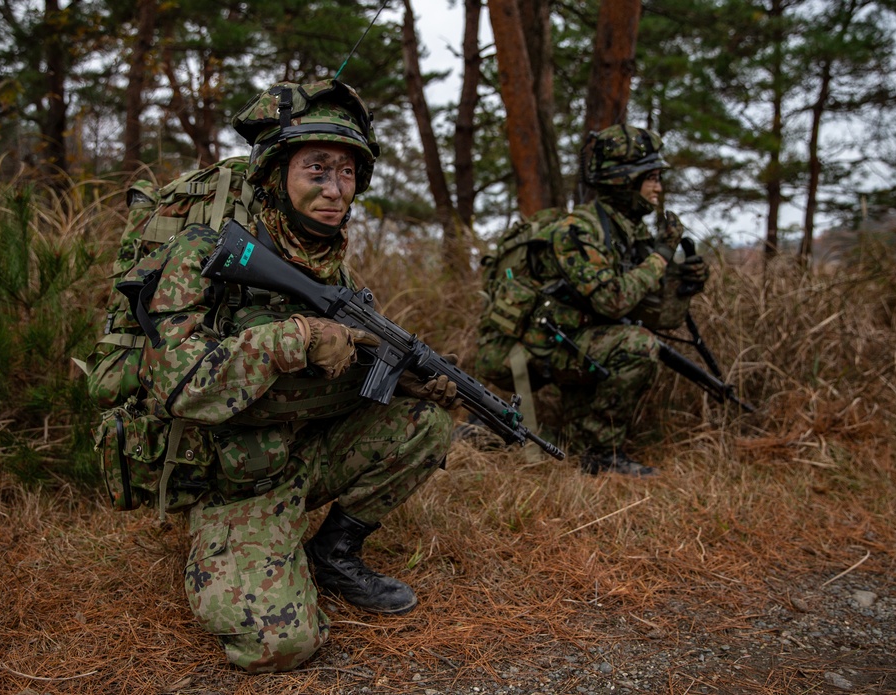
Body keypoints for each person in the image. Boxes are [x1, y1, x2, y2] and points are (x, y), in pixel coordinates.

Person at [132, 79, 458, 672]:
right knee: (279, 647)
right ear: (274, 175)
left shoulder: (339, 272)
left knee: (427, 418)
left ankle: (333, 554)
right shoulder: (205, 254)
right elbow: (175, 388)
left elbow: (340, 372)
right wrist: (297, 339)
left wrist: (398, 376)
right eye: (317, 170)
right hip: (235, 481)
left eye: (349, 173)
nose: (336, 190)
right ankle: (246, 549)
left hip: (306, 455)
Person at [474, 125, 709, 476]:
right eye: (651, 177)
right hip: (526, 349)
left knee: (629, 346)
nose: (659, 187)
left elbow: (648, 306)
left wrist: (683, 279)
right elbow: (612, 302)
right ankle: (599, 453)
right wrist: (662, 254)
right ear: (623, 180)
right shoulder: (580, 230)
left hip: (571, 338)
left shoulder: (628, 230)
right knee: (638, 346)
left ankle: (501, 428)